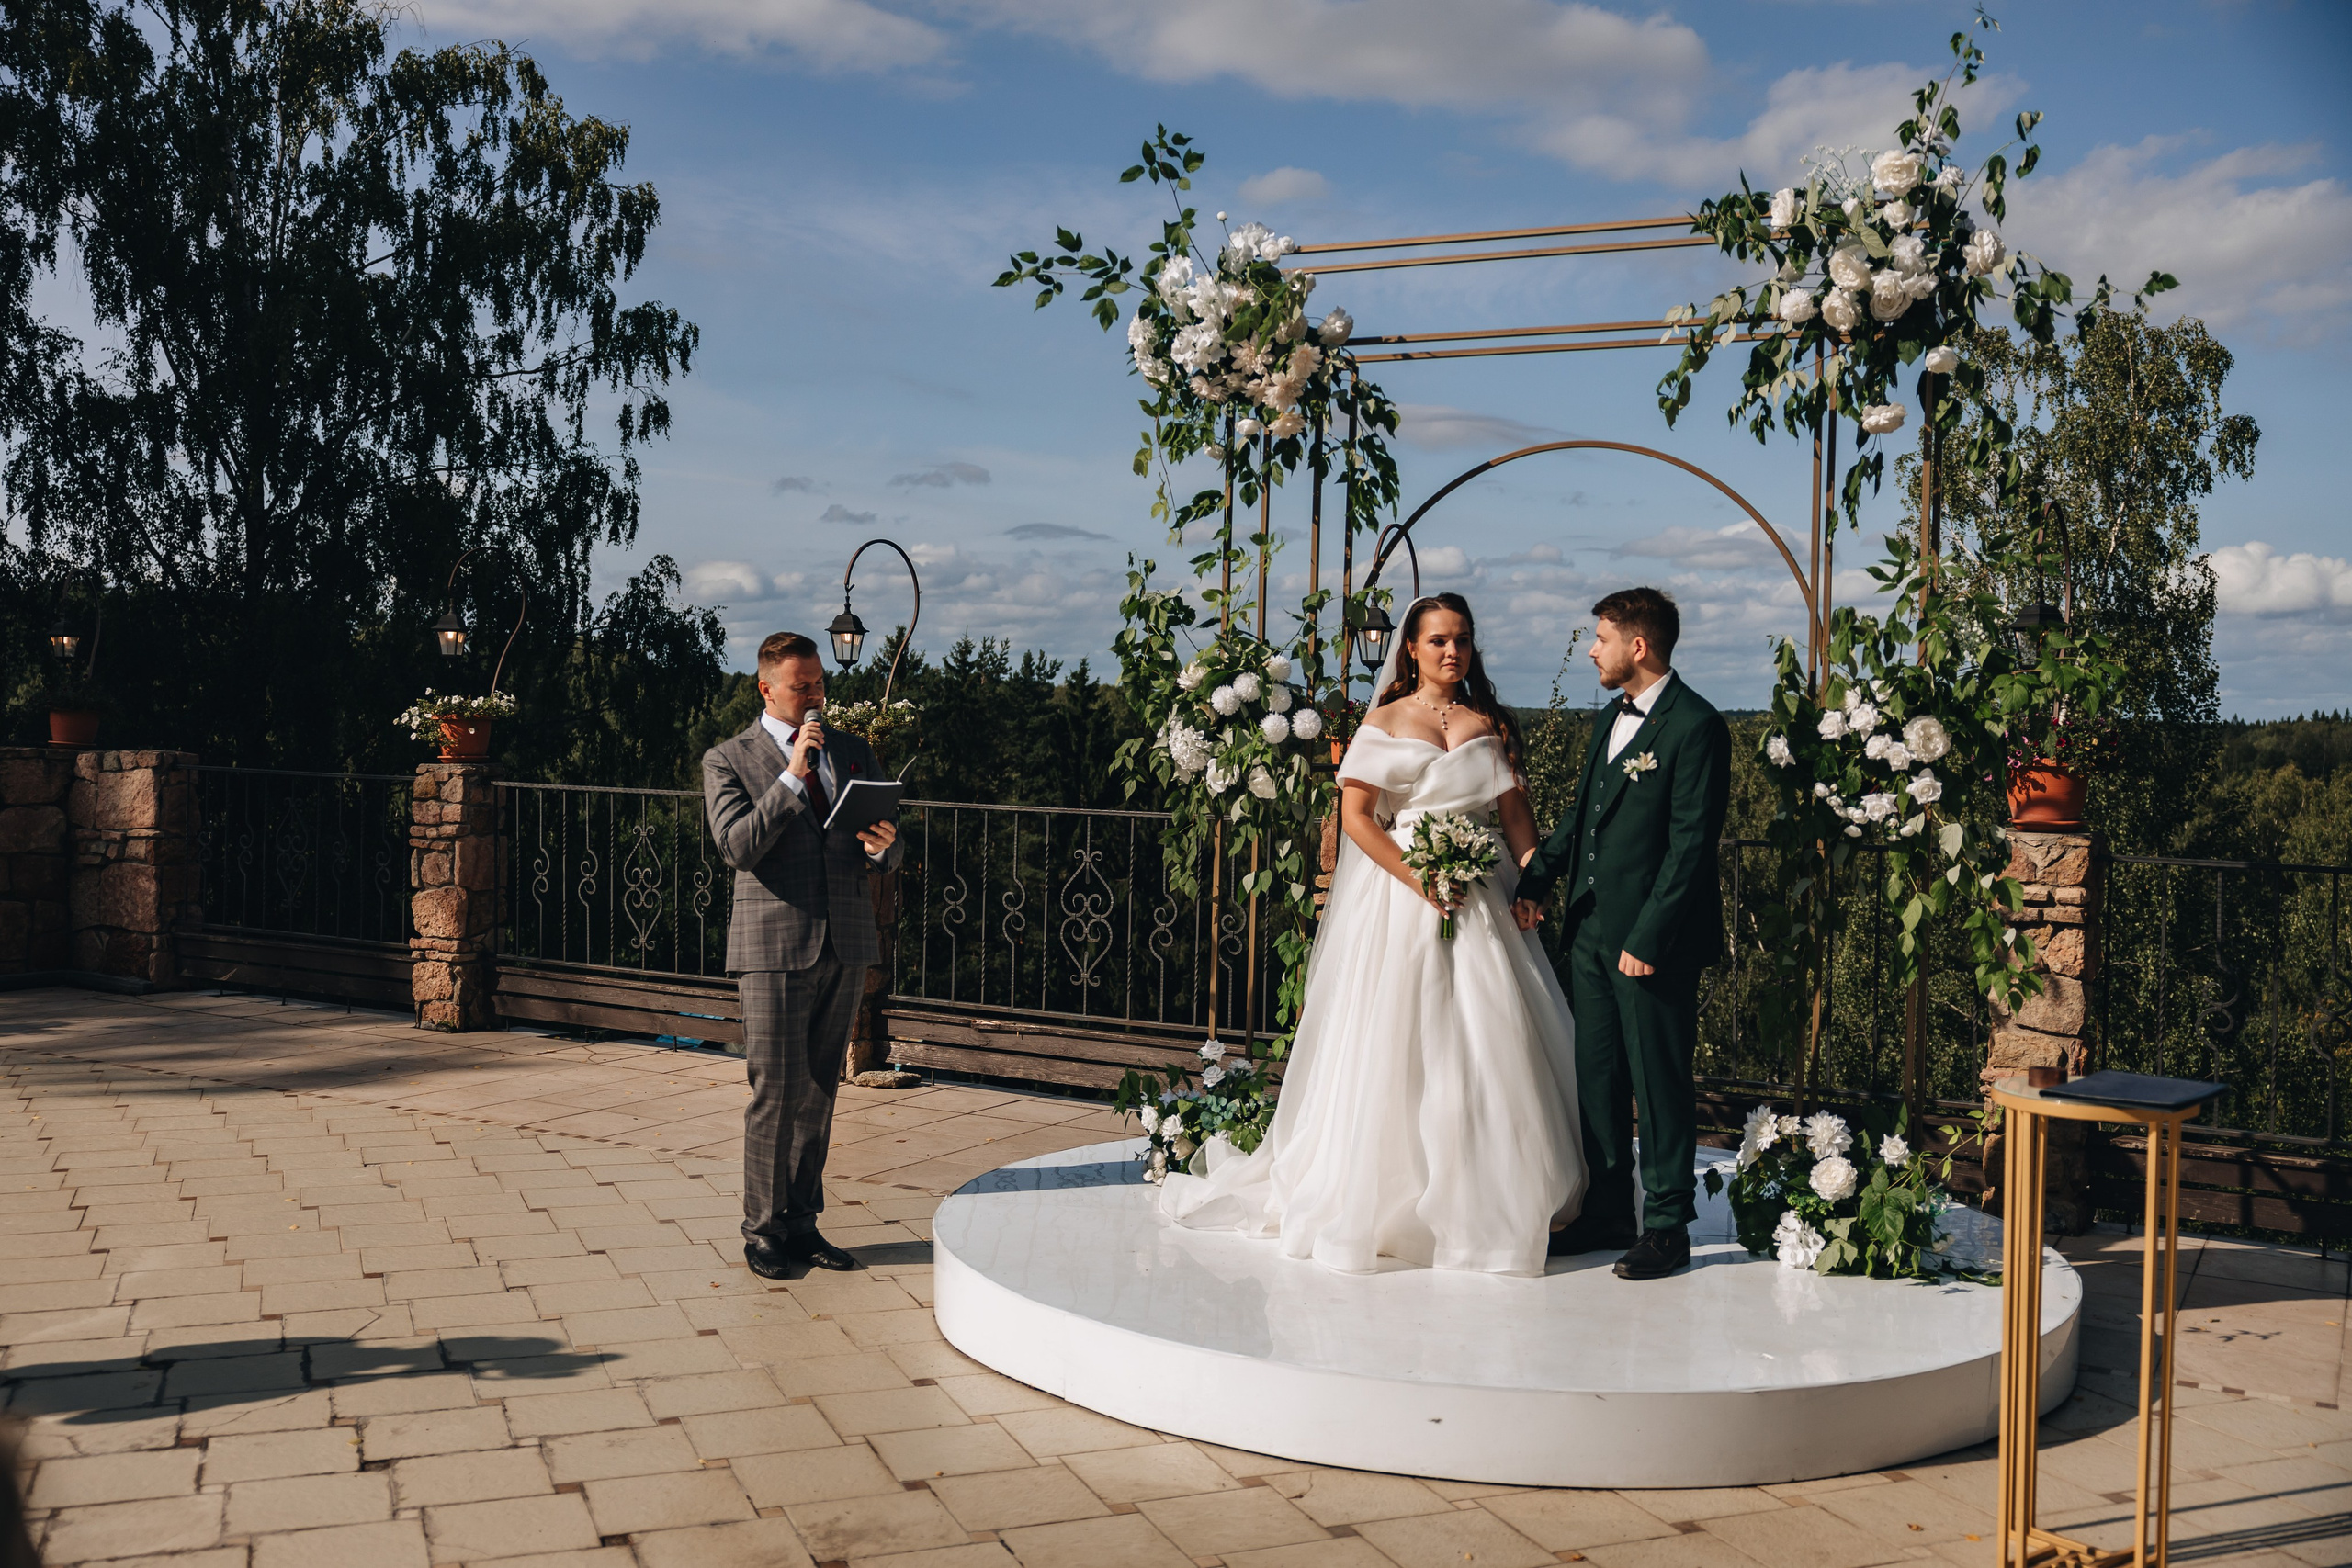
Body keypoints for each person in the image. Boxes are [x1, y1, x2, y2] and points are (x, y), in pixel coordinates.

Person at [1161, 593, 1587, 1276]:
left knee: (1491, 1039)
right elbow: (1358, 817)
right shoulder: (1385, 722)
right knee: (1401, 1042)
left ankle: (1495, 1192)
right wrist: (1418, 877)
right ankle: (1396, 1198)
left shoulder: (1489, 724)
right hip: (1406, 894)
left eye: (1464, 640)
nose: (1454, 651)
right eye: (1440, 640)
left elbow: (1515, 819)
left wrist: (1535, 885)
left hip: (1479, 897)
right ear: (1411, 649)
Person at [1511, 587, 1730, 1281]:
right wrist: (1535, 877)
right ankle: (1609, 1209)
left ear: (1638, 646)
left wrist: (1649, 935)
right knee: (1597, 1075)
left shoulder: (1697, 726)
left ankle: (1667, 1225)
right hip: (1591, 932)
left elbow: (1692, 846)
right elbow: (1583, 820)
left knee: (1658, 1077)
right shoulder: (1611, 717)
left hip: (1649, 940)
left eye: (1600, 637)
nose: (1592, 649)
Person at [704, 631, 901, 1279]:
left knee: (819, 1092)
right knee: (775, 1093)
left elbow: (888, 849)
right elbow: (736, 846)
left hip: (844, 941)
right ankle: (761, 1230)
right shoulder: (727, 758)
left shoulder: (853, 749)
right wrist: (792, 777)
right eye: (802, 685)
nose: (816, 694)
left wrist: (881, 846)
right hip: (771, 948)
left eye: (819, 682)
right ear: (766, 687)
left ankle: (802, 1222)